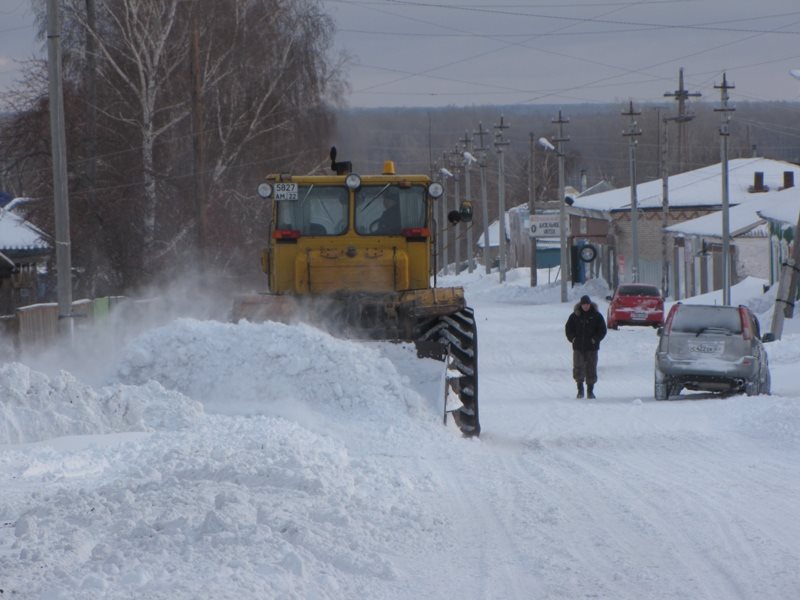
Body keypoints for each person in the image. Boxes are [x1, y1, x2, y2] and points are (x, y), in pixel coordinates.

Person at [565, 294, 607, 399]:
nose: (585, 306)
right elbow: (568, 329)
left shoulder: (597, 316)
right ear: (581, 305)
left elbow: (602, 330)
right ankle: (580, 390)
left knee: (591, 368)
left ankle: (590, 391)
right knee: (578, 367)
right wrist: (573, 338)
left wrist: (595, 339)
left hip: (592, 348)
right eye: (584, 304)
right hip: (578, 347)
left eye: (587, 304)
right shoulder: (574, 316)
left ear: (590, 304)